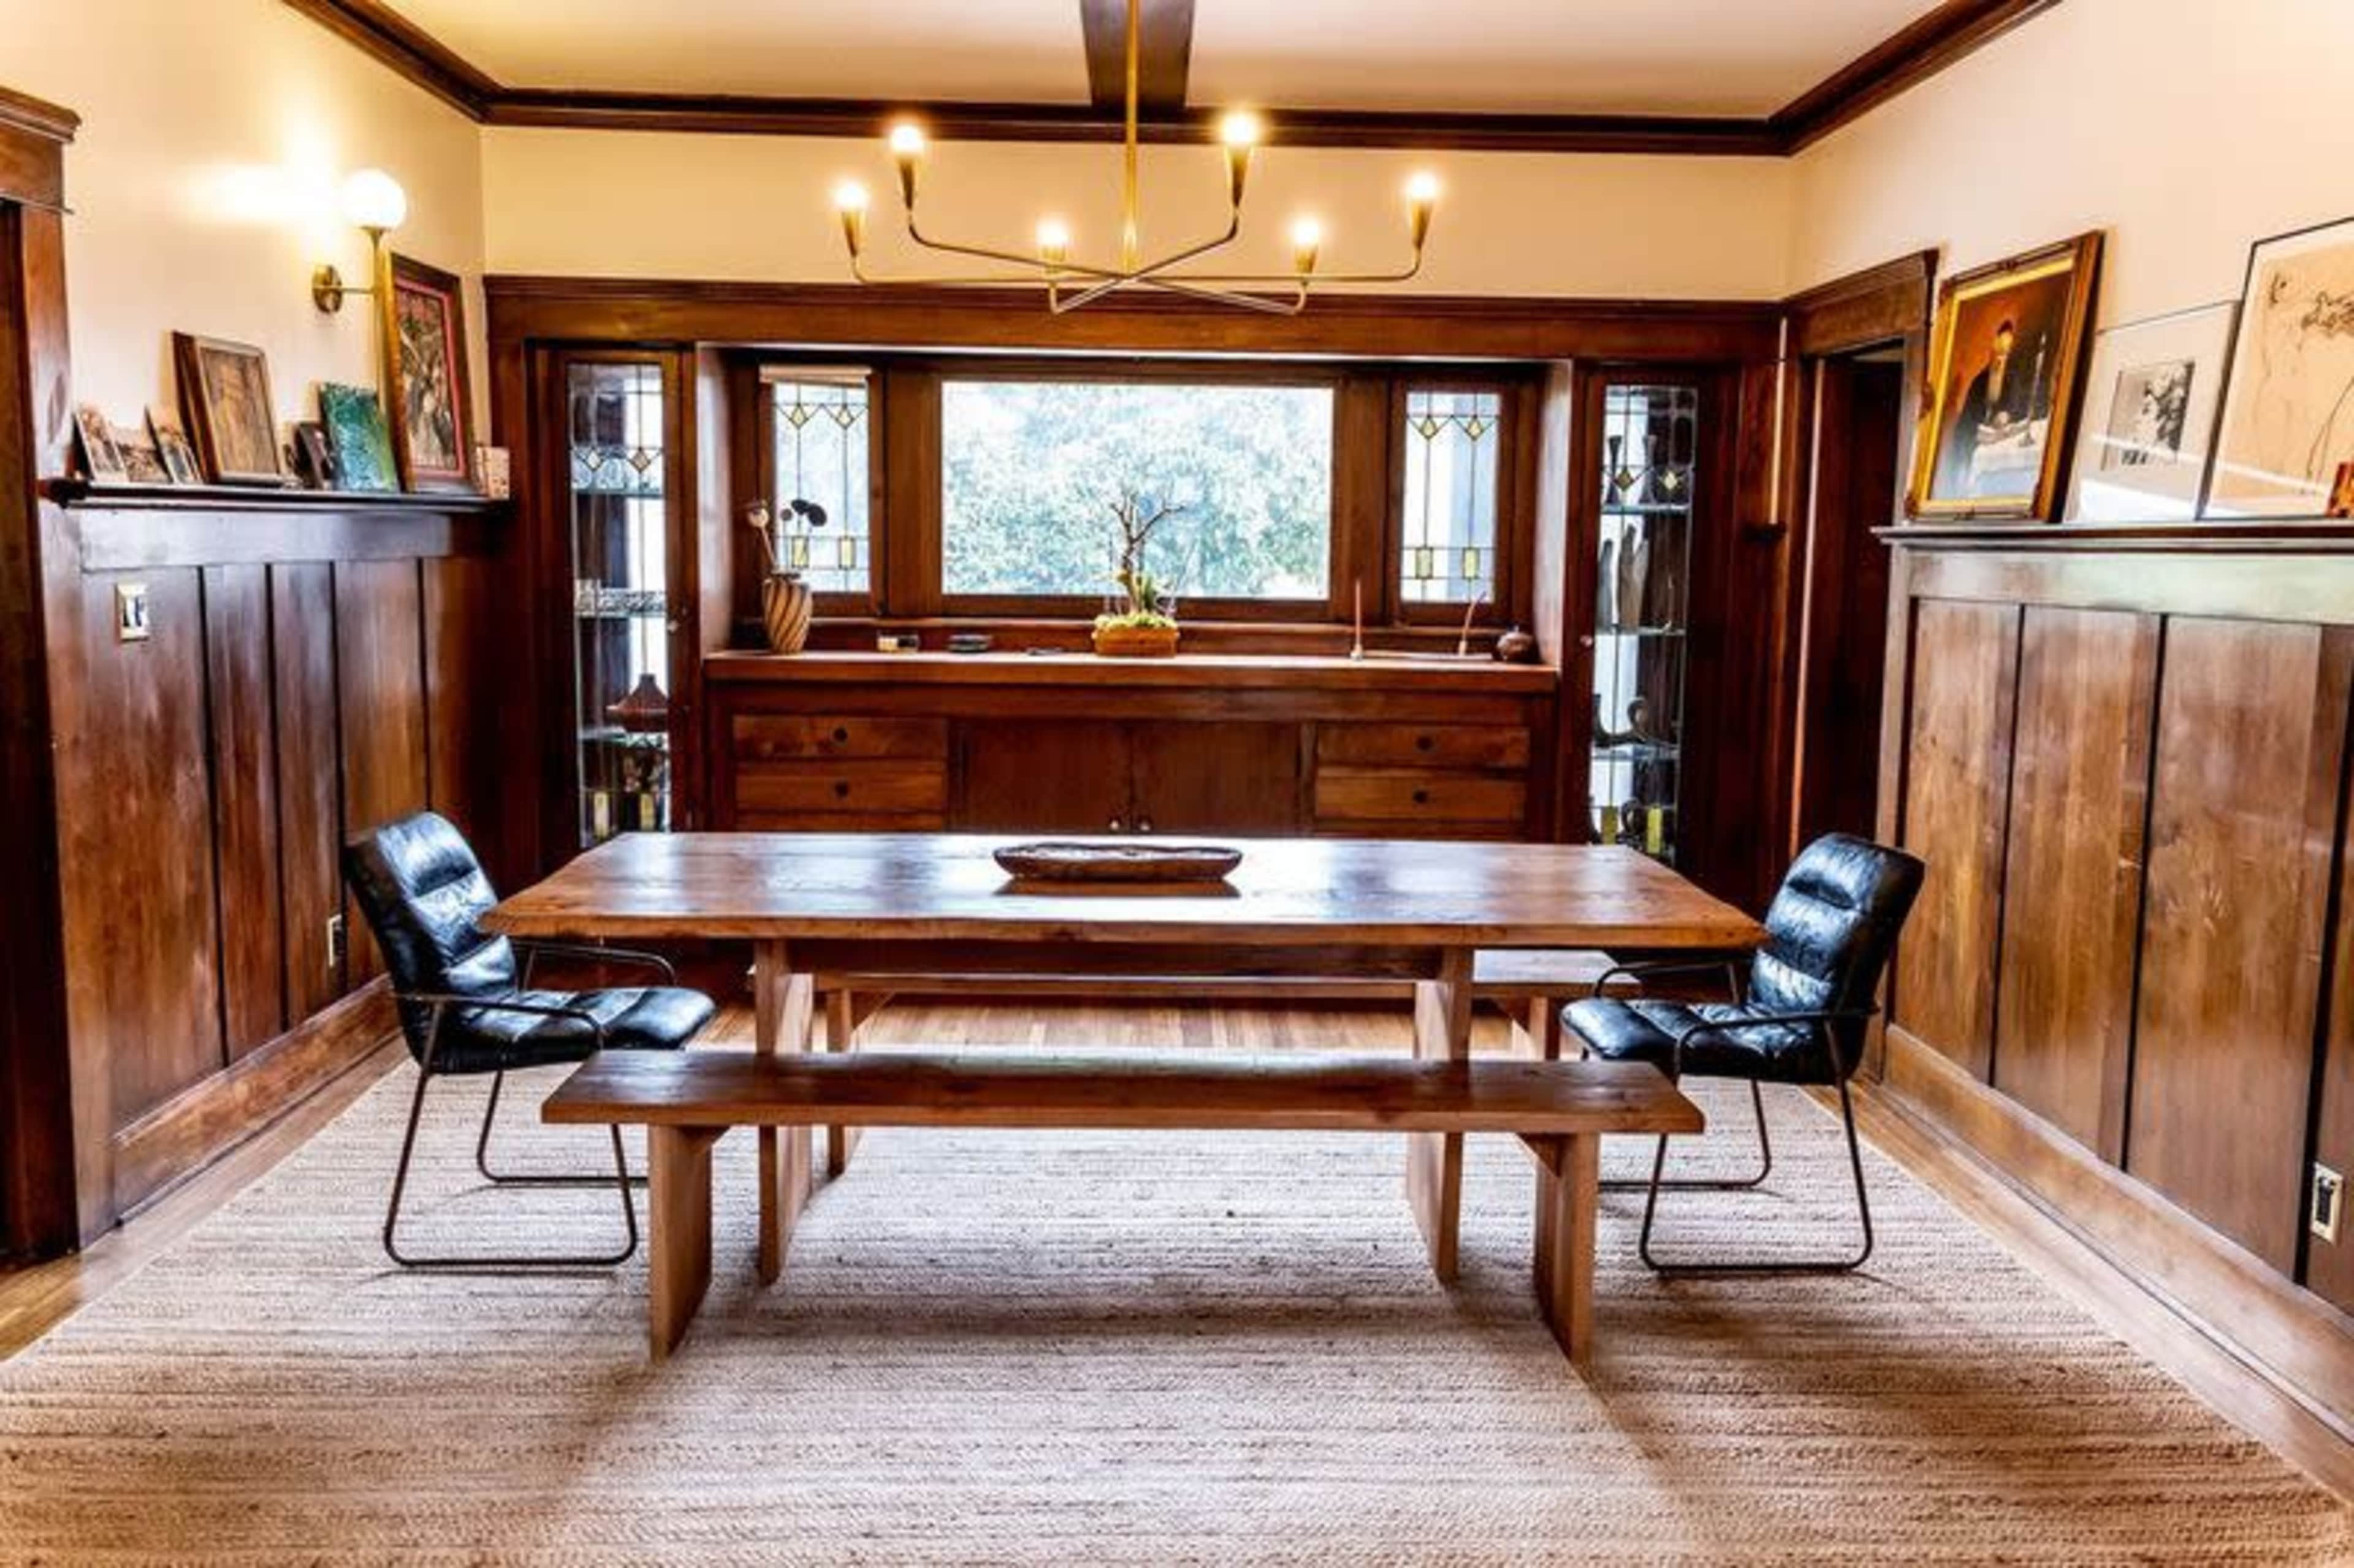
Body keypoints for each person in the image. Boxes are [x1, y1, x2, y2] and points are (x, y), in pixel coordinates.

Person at [1938, 318, 2041, 498]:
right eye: (1999, 352)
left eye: (2005, 354)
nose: (2001, 359)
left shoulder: (2012, 379)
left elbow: (2017, 407)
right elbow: (1968, 421)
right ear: (1993, 349)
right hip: (1974, 436)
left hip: (1999, 438)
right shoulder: (1979, 381)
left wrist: (2007, 415)